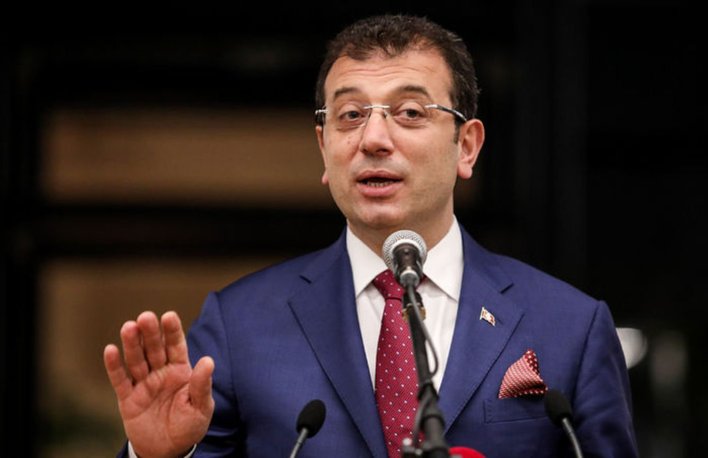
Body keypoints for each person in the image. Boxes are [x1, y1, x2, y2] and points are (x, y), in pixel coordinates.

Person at [103, 14, 638, 458]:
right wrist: (156, 457)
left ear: (467, 146)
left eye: (410, 112)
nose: (374, 138)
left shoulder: (570, 327)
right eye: (351, 115)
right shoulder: (240, 325)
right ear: (324, 148)